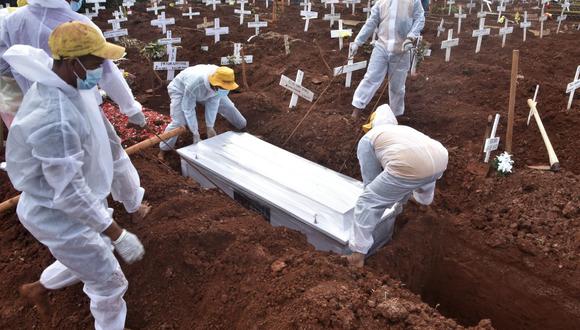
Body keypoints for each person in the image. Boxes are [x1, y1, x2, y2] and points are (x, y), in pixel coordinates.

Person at [3, 22, 145, 330]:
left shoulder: (70, 85)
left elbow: (101, 129)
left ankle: (37, 289)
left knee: (93, 254)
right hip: (58, 214)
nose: (101, 70)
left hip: (76, 203)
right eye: (96, 64)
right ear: (72, 62)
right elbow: (68, 192)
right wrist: (117, 232)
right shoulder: (55, 118)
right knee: (110, 284)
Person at [0, 0, 150, 217]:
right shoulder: (78, 24)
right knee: (107, 154)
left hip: (38, 107)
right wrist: (130, 107)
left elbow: (4, 69)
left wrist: (17, 107)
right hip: (81, 104)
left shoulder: (11, 21)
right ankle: (129, 206)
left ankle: (100, 220)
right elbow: (107, 70)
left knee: (70, 171)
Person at [346, 104, 448, 267]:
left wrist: (380, 201)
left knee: (368, 201)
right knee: (420, 177)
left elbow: (370, 181)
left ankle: (358, 254)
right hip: (441, 157)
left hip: (409, 163)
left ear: (373, 125)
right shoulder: (402, 132)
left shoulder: (369, 138)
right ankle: (423, 204)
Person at [348, 0, 425, 120]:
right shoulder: (381, 2)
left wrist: (411, 37)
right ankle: (357, 108)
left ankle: (396, 115)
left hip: (402, 48)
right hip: (381, 47)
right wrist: (358, 41)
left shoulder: (413, 1)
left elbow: (420, 18)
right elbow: (371, 22)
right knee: (371, 78)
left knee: (397, 85)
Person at [157, 65, 247, 160]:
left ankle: (243, 127)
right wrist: (195, 132)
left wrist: (210, 126)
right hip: (181, 90)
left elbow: (213, 103)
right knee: (179, 122)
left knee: (229, 106)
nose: (226, 90)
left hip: (207, 90)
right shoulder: (195, 84)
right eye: (223, 88)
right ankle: (164, 149)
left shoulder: (224, 80)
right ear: (215, 84)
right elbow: (188, 108)